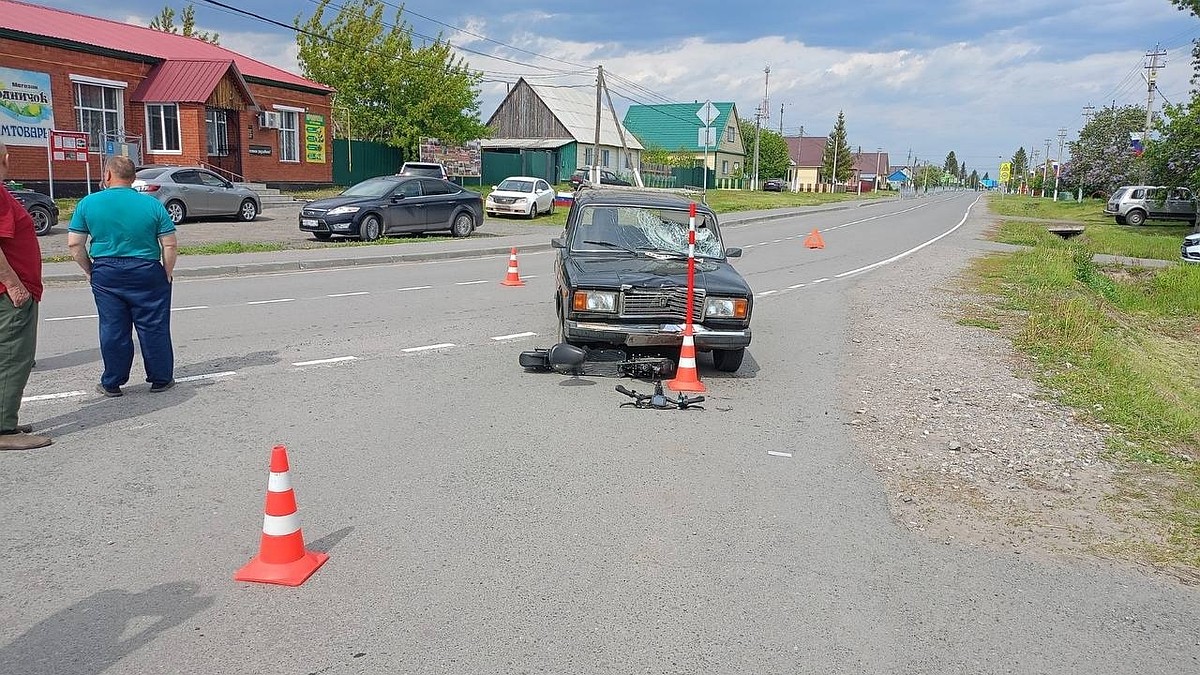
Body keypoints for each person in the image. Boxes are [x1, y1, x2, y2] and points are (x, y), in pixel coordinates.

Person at [68, 156, 178, 397]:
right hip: (146, 270)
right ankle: (161, 378)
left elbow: (75, 244)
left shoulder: (88, 203)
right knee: (154, 326)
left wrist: (90, 270)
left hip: (106, 272)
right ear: (133, 177)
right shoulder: (152, 204)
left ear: (107, 175)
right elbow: (169, 245)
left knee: (113, 327)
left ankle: (112, 382)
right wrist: (166, 272)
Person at [0, 141, 50, 450]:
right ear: (5, 158)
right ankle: (4, 430)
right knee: (13, 357)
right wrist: (15, 285)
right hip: (10, 293)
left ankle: (5, 418)